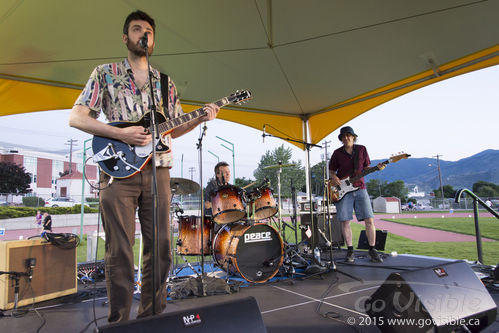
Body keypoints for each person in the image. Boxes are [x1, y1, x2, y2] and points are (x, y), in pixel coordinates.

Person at [69, 10, 219, 323]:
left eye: (148, 30)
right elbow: (77, 117)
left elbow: (173, 128)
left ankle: (151, 319)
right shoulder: (105, 73)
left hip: (158, 170)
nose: (143, 34)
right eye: (137, 29)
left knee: (162, 247)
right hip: (117, 170)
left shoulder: (165, 83)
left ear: (153, 41)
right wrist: (120, 133)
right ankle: (119, 322)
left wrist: (200, 117)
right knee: (120, 250)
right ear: (126, 37)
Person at [329, 126, 385, 263]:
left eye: (349, 135)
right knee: (345, 221)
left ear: (354, 137)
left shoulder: (362, 149)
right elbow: (331, 171)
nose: (346, 138)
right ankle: (350, 250)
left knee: (369, 219)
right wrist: (334, 177)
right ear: (341, 139)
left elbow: (366, 168)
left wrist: (376, 168)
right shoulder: (337, 153)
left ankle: (372, 249)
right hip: (343, 190)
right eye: (344, 136)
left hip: (360, 188)